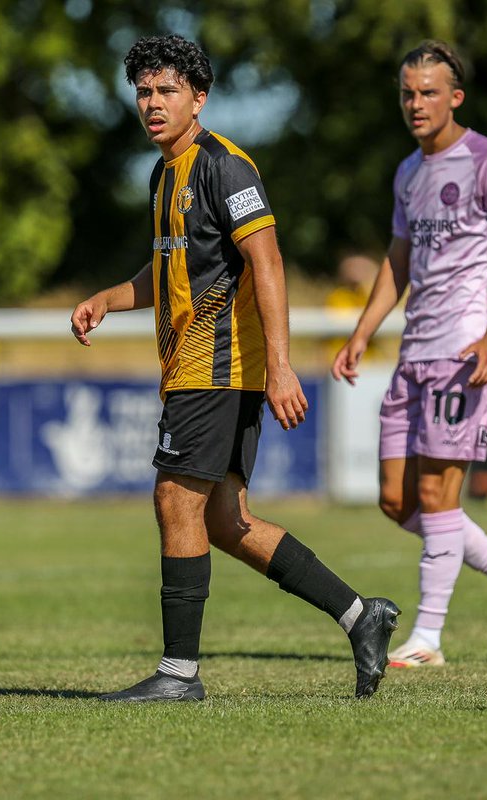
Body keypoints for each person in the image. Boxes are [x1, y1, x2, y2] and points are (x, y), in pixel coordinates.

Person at [71, 34, 400, 702]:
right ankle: (361, 615)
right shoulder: (163, 174)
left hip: (220, 369)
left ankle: (178, 676)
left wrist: (280, 366)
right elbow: (171, 268)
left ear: (199, 96)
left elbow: (268, 262)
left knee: (175, 499)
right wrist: (110, 298)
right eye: (143, 91)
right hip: (193, 369)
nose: (152, 103)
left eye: (166, 91)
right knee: (225, 522)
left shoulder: (227, 168)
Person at [330, 40, 487, 668]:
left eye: (428, 92)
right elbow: (398, 262)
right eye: (407, 92)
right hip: (413, 353)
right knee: (396, 500)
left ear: (456, 97)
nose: (415, 103)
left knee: (435, 492)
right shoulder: (407, 173)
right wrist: (363, 331)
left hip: (464, 352)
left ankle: (427, 637)